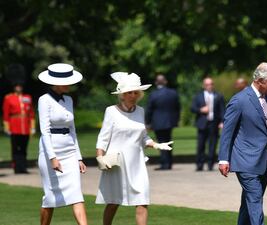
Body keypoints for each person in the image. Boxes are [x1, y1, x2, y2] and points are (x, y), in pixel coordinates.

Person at [95, 72, 173, 225]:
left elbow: (143, 136)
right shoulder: (111, 111)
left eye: (135, 92)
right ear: (122, 95)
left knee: (142, 200)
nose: (133, 95)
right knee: (113, 201)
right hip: (116, 163)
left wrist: (157, 144)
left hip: (137, 164)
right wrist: (100, 157)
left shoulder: (140, 111)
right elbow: (103, 138)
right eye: (129, 92)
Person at [218, 62, 267, 225]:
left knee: (248, 203)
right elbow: (227, 132)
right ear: (260, 80)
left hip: (264, 162)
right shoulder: (239, 100)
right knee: (255, 201)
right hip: (245, 162)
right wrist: (224, 159)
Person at [37, 63, 87, 225]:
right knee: (50, 198)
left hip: (70, 151)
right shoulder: (44, 100)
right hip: (51, 151)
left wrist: (79, 158)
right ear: (56, 82)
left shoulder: (69, 100)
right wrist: (52, 157)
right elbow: (44, 131)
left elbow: (72, 130)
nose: (70, 84)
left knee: (76, 194)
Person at [145, 74, 181, 170]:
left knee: (161, 142)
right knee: (168, 141)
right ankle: (169, 163)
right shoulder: (173, 93)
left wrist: (147, 122)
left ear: (156, 82)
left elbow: (149, 109)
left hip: (158, 122)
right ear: (165, 82)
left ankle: (164, 164)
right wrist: (176, 120)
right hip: (170, 122)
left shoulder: (153, 94)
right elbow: (177, 108)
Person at [191, 77, 225, 171]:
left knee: (212, 145)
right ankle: (199, 164)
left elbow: (222, 110)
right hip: (202, 123)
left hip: (214, 123)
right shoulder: (198, 96)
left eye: (211, 84)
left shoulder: (218, 95)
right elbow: (192, 108)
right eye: (207, 84)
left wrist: (222, 121)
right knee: (200, 145)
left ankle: (210, 164)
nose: (209, 86)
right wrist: (200, 110)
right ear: (204, 86)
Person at [2, 83, 35, 174]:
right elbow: (6, 114)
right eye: (17, 86)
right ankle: (17, 168)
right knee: (16, 149)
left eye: (20, 86)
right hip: (14, 127)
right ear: (14, 87)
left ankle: (23, 167)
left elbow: (31, 113)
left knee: (24, 149)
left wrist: (32, 126)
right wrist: (7, 127)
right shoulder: (9, 98)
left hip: (25, 127)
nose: (19, 88)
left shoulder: (27, 97)